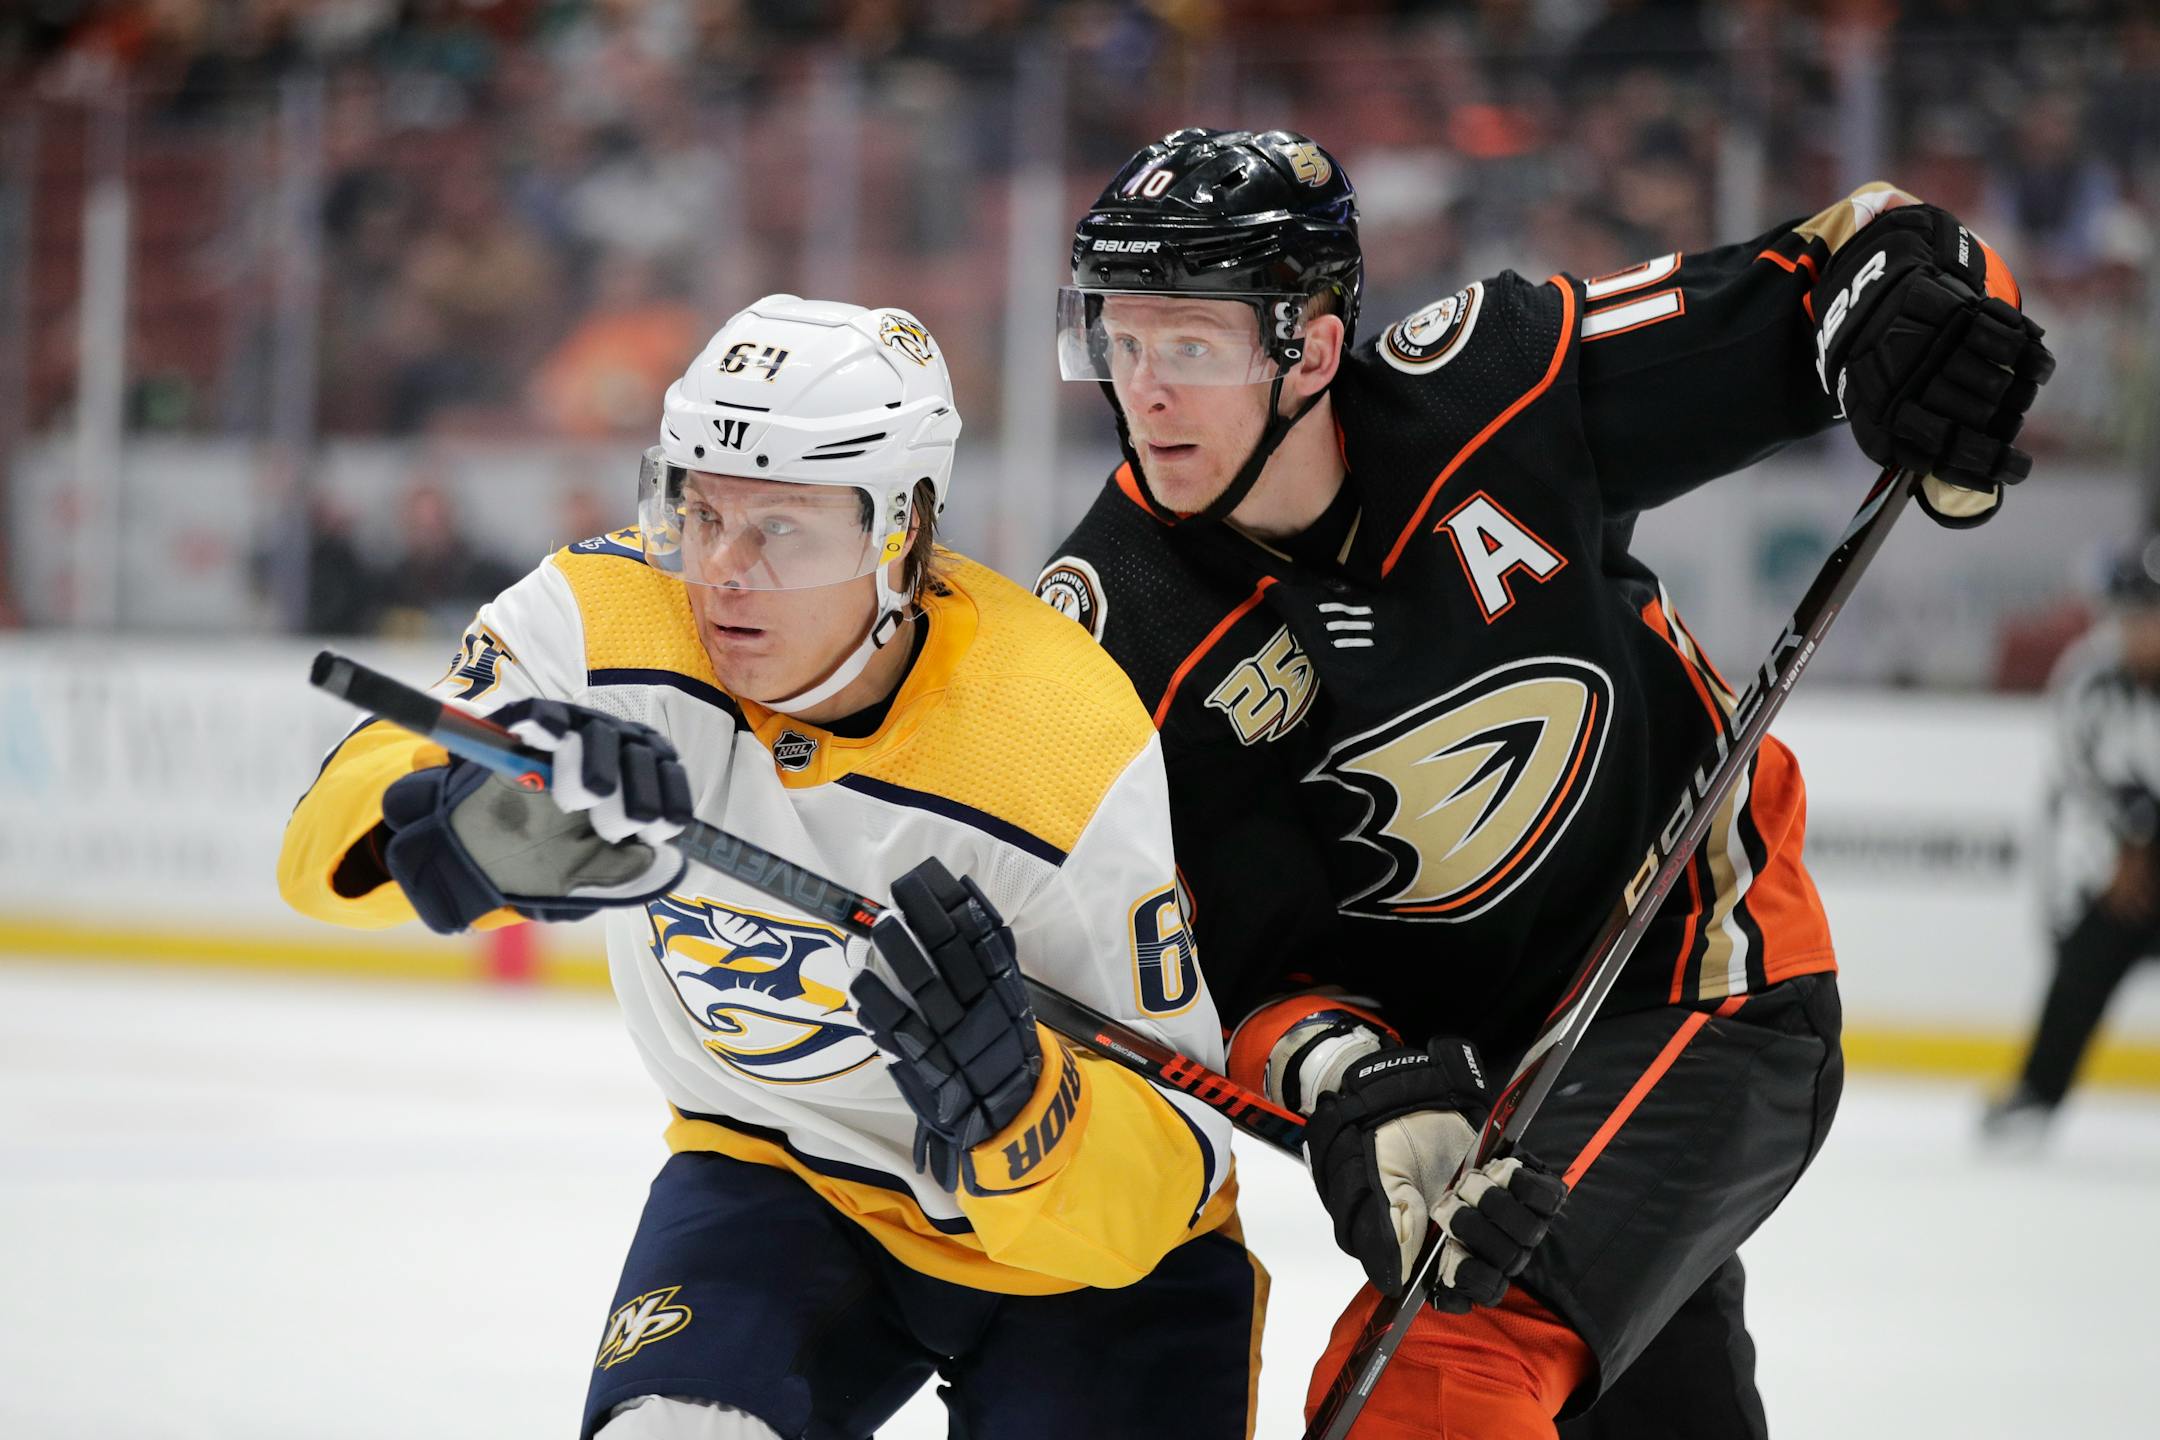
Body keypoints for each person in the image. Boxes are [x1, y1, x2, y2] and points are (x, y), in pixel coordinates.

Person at [1036, 128, 2055, 1438]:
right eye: (1118, 343)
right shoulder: (1126, 625)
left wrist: (1926, 315)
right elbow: (1216, 963)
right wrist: (1349, 1076)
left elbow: (1847, 260)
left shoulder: (1496, 383)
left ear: (1317, 347)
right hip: (1475, 1090)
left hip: (1699, 973)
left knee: (1429, 1377)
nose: (1144, 393)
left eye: (1191, 346)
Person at [279, 295, 1260, 1440]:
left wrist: (1026, 1109)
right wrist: (464, 824)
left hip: (1083, 1271)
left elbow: (1175, 1153)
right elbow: (321, 857)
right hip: (778, 1177)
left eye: (784, 528)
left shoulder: (1056, 735)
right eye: (699, 512)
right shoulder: (606, 624)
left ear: (904, 529)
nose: (723, 574)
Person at [1985, 537, 2160, 1143]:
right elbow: (2078, 767)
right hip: (2123, 860)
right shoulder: (2091, 676)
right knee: (2086, 958)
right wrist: (2132, 841)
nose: (2145, 633)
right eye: (2137, 618)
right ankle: (2037, 1092)